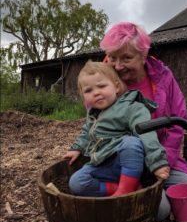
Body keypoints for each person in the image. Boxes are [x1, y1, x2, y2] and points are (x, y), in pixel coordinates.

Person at [100, 22, 187, 220]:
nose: (118, 66)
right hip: (124, 162)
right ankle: (126, 189)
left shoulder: (163, 77)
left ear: (143, 56)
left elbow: (177, 122)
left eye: (127, 58)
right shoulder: (102, 81)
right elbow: (99, 126)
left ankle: (151, 189)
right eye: (112, 57)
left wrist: (162, 161)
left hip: (162, 157)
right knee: (161, 210)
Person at [64, 61, 169, 197]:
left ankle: (125, 190)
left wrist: (157, 162)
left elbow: (146, 133)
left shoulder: (131, 107)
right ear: (83, 95)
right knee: (76, 183)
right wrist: (77, 148)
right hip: (102, 163)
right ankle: (123, 189)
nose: (96, 93)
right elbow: (86, 133)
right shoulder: (94, 113)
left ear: (117, 87)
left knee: (131, 142)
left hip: (127, 163)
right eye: (88, 90)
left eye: (101, 86)